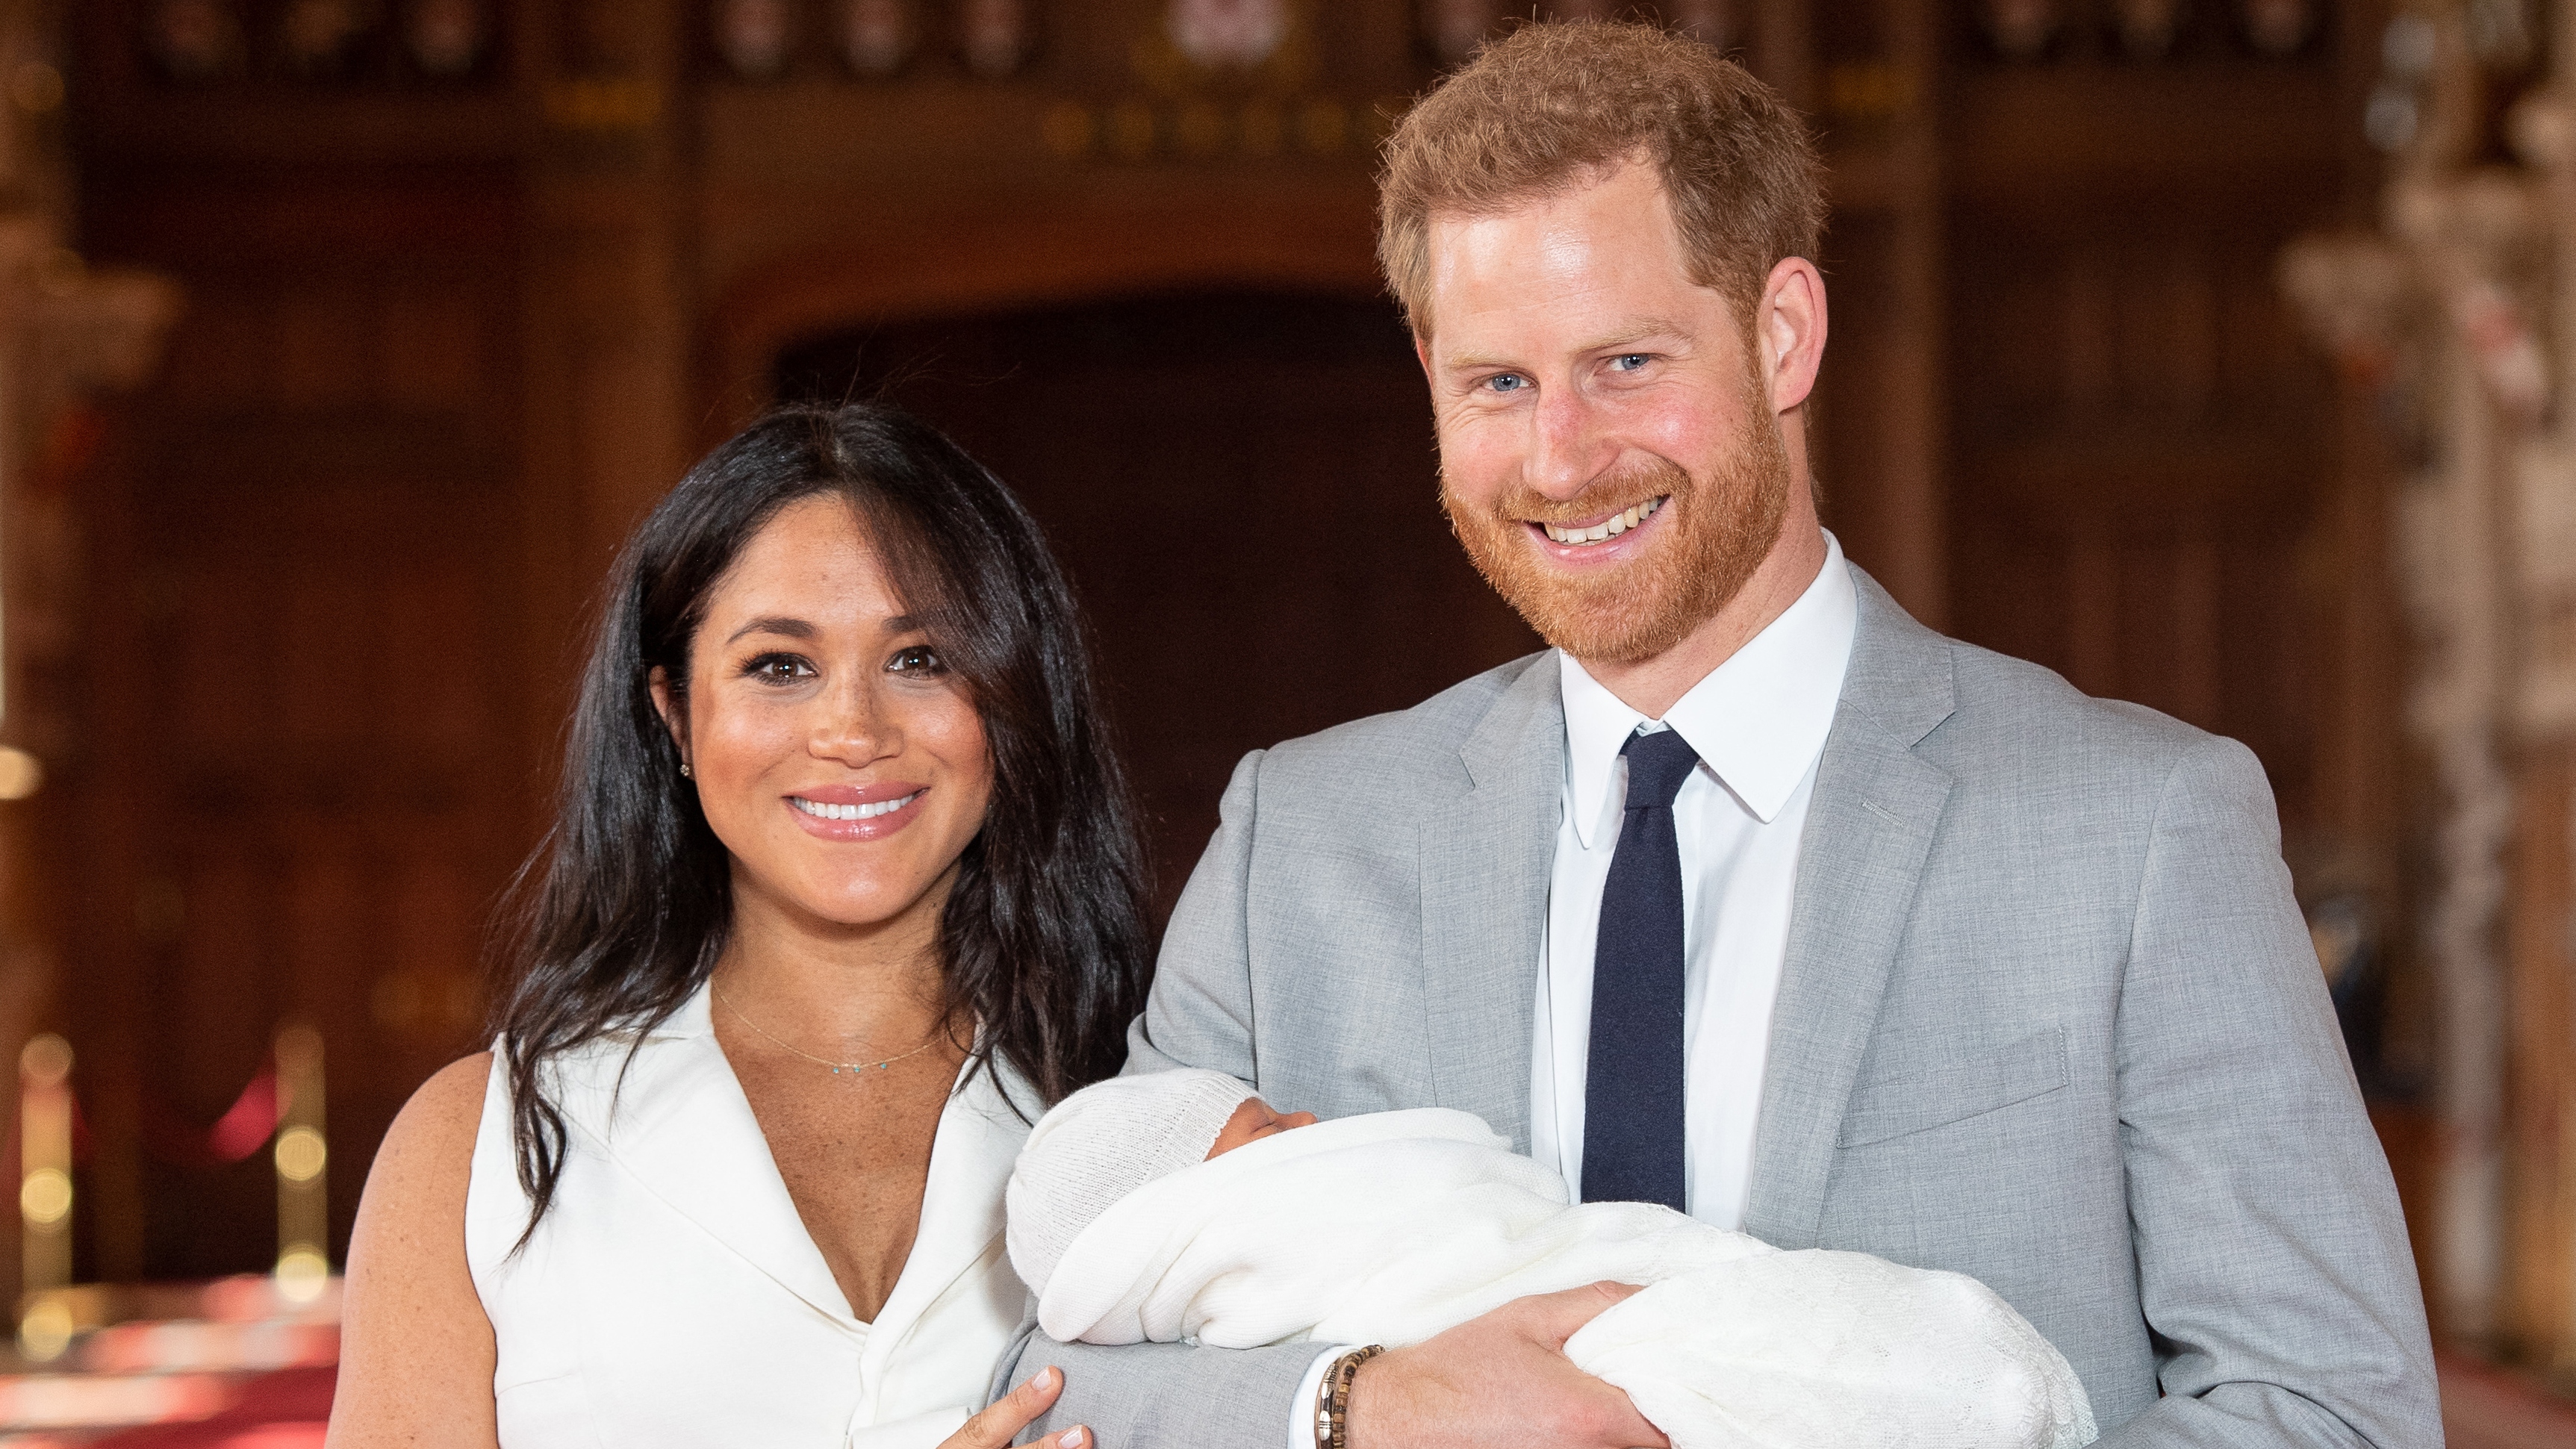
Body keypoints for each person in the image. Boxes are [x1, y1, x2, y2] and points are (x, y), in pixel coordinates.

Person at [1001, 20, 2441, 1449]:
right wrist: (1358, 1407)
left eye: (1625, 362)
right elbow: (1061, 1372)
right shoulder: (1295, 845)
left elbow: (2331, 1408)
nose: (1561, 457)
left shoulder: (2140, 828)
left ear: (1783, 332)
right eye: (1495, 383)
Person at [329, 403, 1148, 1449]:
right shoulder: (474, 1148)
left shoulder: (1143, 1101)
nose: (854, 730)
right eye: (778, 665)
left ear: (1011, 699)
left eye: (923, 659)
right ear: (673, 712)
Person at [1001, 1069, 2094, 1449]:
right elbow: (1051, 1384)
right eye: (1265, 1130)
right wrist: (1354, 1410)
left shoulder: (2158, 806)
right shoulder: (1277, 830)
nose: (1307, 1118)